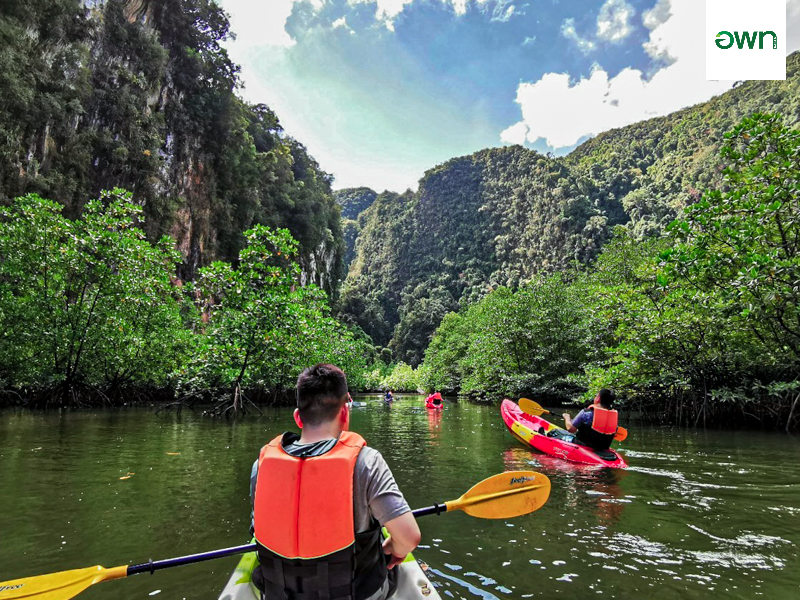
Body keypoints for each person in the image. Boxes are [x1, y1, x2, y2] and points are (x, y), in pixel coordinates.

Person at [250, 364, 421, 600]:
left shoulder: (261, 464)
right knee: (388, 553)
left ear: (298, 417)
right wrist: (396, 548)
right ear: (344, 413)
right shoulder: (366, 461)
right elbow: (409, 538)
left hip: (279, 593)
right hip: (354, 594)